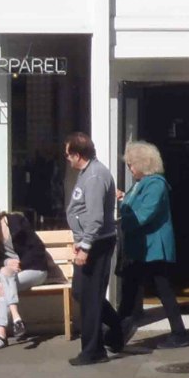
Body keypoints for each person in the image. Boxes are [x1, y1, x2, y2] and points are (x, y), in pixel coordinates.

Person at [110, 140, 189, 352]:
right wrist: (122, 200)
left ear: (142, 163)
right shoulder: (141, 184)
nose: (129, 168)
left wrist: (122, 218)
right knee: (131, 292)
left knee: (161, 289)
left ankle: (179, 334)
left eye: (130, 164)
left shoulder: (156, 184)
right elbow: (133, 207)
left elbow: (144, 214)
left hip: (153, 248)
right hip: (141, 247)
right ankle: (116, 337)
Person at [64, 131, 118, 366]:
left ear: (77, 155)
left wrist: (85, 247)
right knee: (81, 292)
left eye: (68, 154)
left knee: (90, 297)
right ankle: (115, 327)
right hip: (87, 242)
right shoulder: (87, 173)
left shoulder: (95, 176)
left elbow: (95, 217)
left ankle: (93, 350)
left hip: (97, 243)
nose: (67, 158)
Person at [0, 196, 52, 349]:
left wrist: (19, 265)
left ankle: (4, 332)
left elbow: (37, 249)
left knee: (3, 283)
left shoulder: (16, 221)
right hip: (9, 276)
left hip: (35, 270)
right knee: (4, 281)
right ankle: (13, 323)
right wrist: (7, 263)